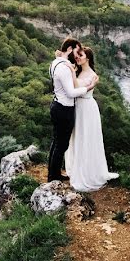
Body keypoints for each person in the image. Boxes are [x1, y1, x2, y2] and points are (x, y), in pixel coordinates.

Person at [65, 46, 119, 191]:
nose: (77, 58)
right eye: (77, 56)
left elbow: (77, 90)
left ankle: (88, 173)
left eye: (80, 55)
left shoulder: (91, 74)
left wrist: (71, 71)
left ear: (87, 58)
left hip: (87, 109)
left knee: (87, 138)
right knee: (77, 137)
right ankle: (78, 168)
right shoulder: (80, 71)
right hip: (78, 108)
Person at [47, 37, 98, 182]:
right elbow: (71, 92)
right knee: (61, 144)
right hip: (64, 109)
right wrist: (89, 87)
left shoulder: (56, 63)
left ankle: (53, 173)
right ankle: (53, 176)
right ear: (69, 49)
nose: (76, 55)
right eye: (76, 51)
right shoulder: (64, 67)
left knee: (57, 142)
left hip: (58, 105)